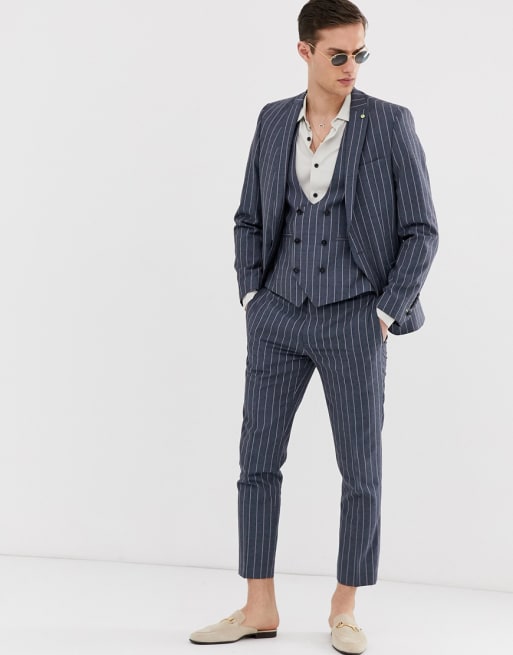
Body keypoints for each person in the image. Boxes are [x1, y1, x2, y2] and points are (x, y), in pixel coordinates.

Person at [189, 0, 438, 652]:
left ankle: (344, 606)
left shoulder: (389, 123)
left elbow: (421, 231)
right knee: (256, 463)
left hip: (354, 317)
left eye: (360, 53)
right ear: (305, 51)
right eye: (338, 54)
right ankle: (258, 605)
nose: (351, 66)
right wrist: (252, 295)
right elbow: (249, 217)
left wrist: (383, 311)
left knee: (360, 469)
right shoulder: (273, 120)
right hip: (276, 314)